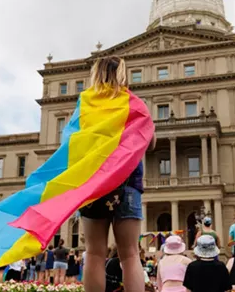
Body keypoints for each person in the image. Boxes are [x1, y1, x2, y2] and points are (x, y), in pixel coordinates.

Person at [79, 56, 155, 292]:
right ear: (121, 74)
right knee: (130, 254)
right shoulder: (133, 103)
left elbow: (74, 142)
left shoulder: (86, 103)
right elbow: (149, 143)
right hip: (127, 183)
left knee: (94, 253)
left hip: (94, 184)